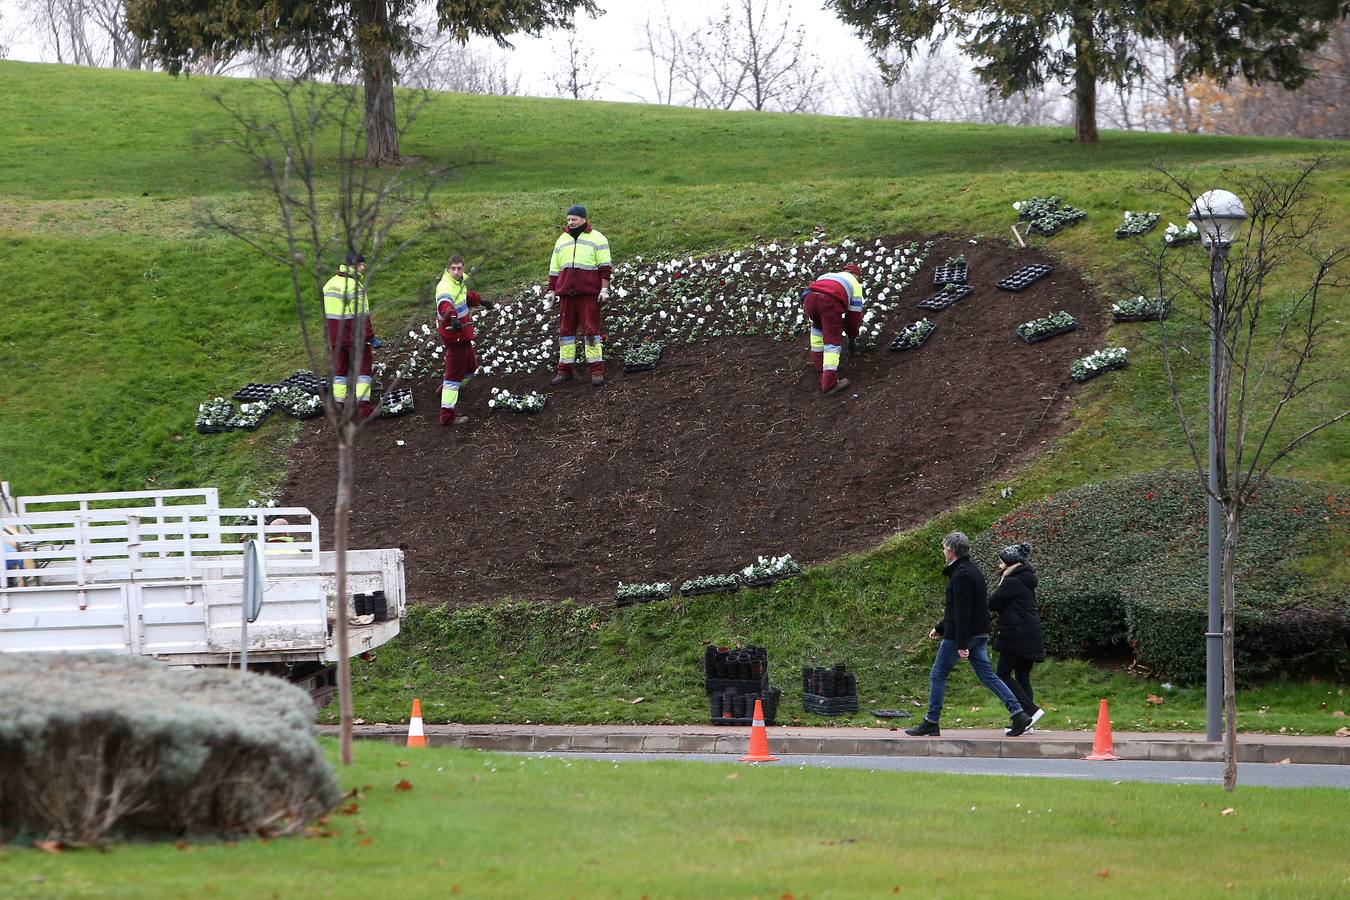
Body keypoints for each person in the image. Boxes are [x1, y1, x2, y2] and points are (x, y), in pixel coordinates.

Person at [905, 531, 1033, 738]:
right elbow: (966, 608)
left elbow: (961, 612)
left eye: (945, 547)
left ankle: (931, 721)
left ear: (952, 551)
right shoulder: (972, 571)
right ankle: (1018, 713)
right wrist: (940, 628)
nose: (943, 551)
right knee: (988, 676)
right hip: (979, 633)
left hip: (962, 635)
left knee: (938, 674)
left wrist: (961, 643)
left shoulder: (961, 574)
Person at [546, 205, 612, 387]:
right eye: (568, 220)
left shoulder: (598, 238)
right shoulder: (561, 240)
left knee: (591, 331)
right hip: (567, 294)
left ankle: (596, 370)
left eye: (573, 219)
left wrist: (604, 289)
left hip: (588, 294)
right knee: (565, 333)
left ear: (583, 219)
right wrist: (551, 290)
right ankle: (564, 370)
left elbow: (605, 267)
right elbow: (554, 268)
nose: (570, 222)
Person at [988, 543, 1046, 734]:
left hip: (1016, 635)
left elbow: (994, 602)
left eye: (1001, 560)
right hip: (1029, 635)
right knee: (1022, 676)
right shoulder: (1025, 578)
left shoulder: (1012, 581)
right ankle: (1027, 723)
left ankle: (1030, 711)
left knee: (1003, 675)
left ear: (1010, 563)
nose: (998, 563)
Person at [435, 254, 496, 426]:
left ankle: (444, 390)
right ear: (447, 269)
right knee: (454, 376)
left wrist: (481, 301)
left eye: (459, 268)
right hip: (454, 335)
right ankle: (447, 416)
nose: (456, 272)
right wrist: (452, 318)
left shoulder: (458, 283)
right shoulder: (445, 286)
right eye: (453, 269)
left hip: (463, 334)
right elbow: (444, 304)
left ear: (463, 269)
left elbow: (465, 297)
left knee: (470, 368)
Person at [323, 251, 378, 418]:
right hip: (353, 338)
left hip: (335, 338)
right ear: (354, 266)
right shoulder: (354, 287)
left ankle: (337, 405)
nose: (363, 267)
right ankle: (364, 407)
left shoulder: (329, 284)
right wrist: (370, 337)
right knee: (363, 370)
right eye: (361, 264)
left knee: (340, 371)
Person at [801, 263, 865, 394]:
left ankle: (819, 364)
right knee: (832, 339)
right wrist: (852, 336)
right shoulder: (855, 285)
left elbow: (814, 289)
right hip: (829, 301)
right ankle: (830, 383)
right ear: (857, 276)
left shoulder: (828, 275)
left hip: (809, 298)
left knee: (817, 326)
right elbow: (853, 318)